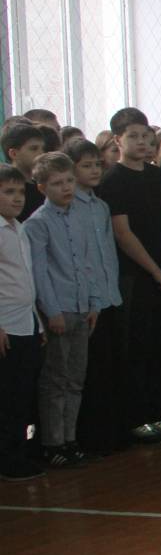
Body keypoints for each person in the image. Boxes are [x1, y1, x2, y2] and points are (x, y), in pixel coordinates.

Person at [96, 109, 161, 443]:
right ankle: (137, 417)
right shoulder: (113, 180)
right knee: (137, 347)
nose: (142, 142)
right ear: (118, 140)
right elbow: (122, 232)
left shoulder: (157, 175)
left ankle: (158, 412)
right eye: (134, 136)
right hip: (134, 275)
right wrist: (156, 270)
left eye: (147, 136)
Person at [23, 152, 102, 465]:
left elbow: (88, 262)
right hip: (59, 310)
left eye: (69, 181)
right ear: (42, 187)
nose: (66, 187)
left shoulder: (80, 217)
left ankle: (70, 439)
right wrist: (52, 310)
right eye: (57, 183)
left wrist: (94, 301)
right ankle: (53, 443)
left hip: (82, 307)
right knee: (55, 380)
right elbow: (40, 272)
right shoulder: (37, 223)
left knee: (75, 378)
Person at [65, 139, 128, 453]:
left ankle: (111, 432)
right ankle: (90, 437)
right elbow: (79, 259)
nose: (94, 171)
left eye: (97, 165)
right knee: (91, 372)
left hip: (109, 295)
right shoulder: (69, 207)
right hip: (88, 303)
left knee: (112, 368)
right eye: (86, 166)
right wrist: (92, 298)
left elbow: (107, 255)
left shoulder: (100, 205)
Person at [0, 164, 43, 480]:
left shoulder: (19, 228)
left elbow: (26, 279)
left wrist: (37, 321)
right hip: (6, 326)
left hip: (26, 322)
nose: (17, 198)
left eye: (20, 192)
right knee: (7, 395)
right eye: (8, 192)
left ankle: (19, 452)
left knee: (22, 393)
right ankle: (7, 459)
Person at [1, 123, 47, 220]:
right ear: (14, 153)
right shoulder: (4, 188)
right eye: (34, 149)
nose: (41, 153)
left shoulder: (41, 188)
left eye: (42, 148)